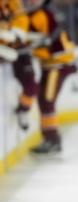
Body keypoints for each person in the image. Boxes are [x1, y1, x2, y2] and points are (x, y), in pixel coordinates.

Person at [26, 0, 77, 155]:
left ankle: (53, 139)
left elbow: (48, 44)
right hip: (51, 65)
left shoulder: (43, 15)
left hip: (57, 65)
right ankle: (50, 138)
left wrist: (30, 49)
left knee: (47, 100)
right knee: (44, 101)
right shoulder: (41, 14)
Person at [0, 0, 36, 132]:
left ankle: (23, 110)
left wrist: (16, 34)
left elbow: (20, 17)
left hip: (15, 47)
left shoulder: (12, 2)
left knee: (31, 85)